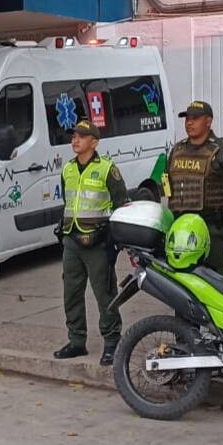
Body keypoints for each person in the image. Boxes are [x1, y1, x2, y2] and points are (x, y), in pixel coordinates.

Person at [53, 119, 129, 365]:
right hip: (72, 240)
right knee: (71, 293)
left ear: (94, 142)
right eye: (73, 136)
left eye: (81, 137)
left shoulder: (107, 169)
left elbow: (121, 205)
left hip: (98, 241)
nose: (75, 140)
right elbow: (68, 203)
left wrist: (114, 239)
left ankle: (112, 342)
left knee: (105, 294)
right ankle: (76, 341)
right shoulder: (68, 169)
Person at [164, 101, 223, 274]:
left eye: (195, 118)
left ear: (208, 121)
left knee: (215, 280)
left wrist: (222, 210)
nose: (189, 123)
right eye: (187, 118)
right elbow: (166, 182)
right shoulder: (177, 150)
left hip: (212, 230)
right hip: (181, 230)